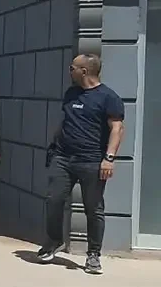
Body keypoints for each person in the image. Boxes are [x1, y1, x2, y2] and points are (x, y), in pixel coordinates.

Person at [36, 54, 125, 274]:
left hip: (92, 161)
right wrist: (54, 145)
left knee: (93, 209)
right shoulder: (71, 93)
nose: (69, 71)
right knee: (53, 199)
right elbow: (66, 122)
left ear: (84, 71)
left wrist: (109, 159)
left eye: (72, 67)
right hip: (63, 158)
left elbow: (117, 129)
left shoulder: (108, 97)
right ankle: (54, 241)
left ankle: (93, 255)